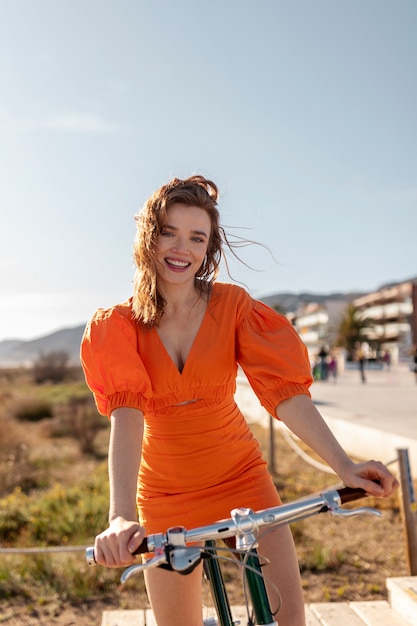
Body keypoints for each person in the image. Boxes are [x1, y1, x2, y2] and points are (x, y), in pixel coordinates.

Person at [80, 175, 398, 626]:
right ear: (148, 238)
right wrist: (120, 517)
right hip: (166, 494)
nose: (181, 248)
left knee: (287, 622)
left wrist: (343, 466)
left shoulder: (233, 306)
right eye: (169, 232)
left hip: (243, 481)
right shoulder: (119, 325)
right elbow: (127, 418)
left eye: (197, 237)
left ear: (208, 249)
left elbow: (286, 396)